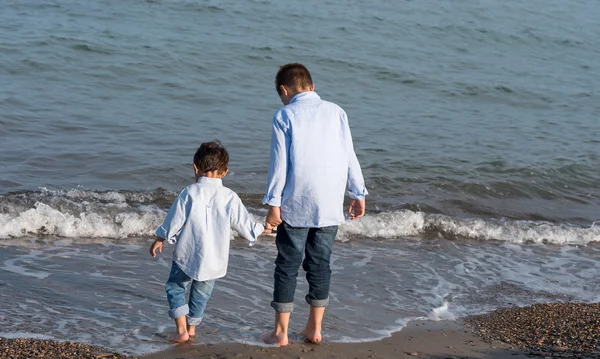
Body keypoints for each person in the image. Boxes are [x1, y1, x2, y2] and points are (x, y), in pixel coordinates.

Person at [262, 63, 368, 346]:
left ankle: (281, 333)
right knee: (320, 265)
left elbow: (279, 164)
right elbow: (349, 154)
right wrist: (358, 192)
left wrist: (273, 203)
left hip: (296, 202)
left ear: (284, 90)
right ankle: (314, 329)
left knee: (287, 265)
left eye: (282, 95)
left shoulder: (284, 114)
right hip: (330, 204)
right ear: (310, 85)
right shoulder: (336, 112)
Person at [149, 141, 265, 343]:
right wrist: (264, 228)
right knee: (201, 295)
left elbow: (174, 220)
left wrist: (161, 238)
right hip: (214, 258)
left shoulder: (190, 192)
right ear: (225, 172)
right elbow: (245, 226)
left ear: (195, 167)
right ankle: (192, 329)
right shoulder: (229, 196)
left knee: (175, 288)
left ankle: (181, 331)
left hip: (187, 253)